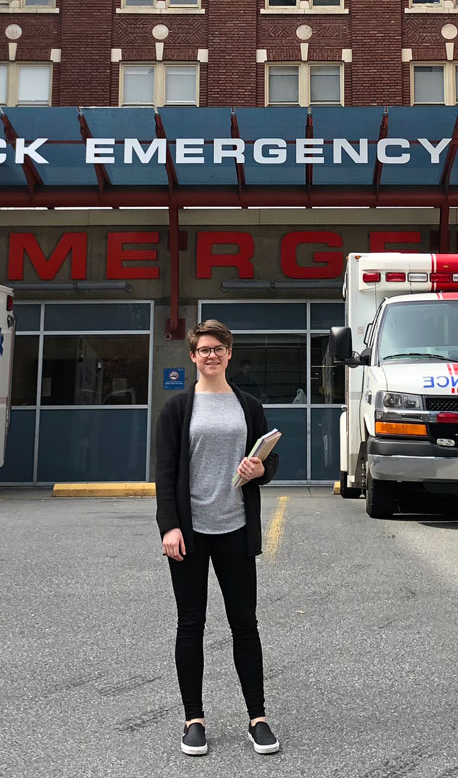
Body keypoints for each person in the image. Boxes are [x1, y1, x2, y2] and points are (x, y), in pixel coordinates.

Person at [154, 319, 280, 757]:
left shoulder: (248, 406)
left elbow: (270, 459)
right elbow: (165, 472)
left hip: (236, 530)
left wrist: (262, 469)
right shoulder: (176, 408)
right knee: (191, 623)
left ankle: (258, 718)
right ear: (192, 356)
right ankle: (194, 720)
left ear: (230, 354)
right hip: (190, 533)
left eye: (218, 348)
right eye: (203, 349)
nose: (211, 355)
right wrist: (169, 525)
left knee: (245, 623)